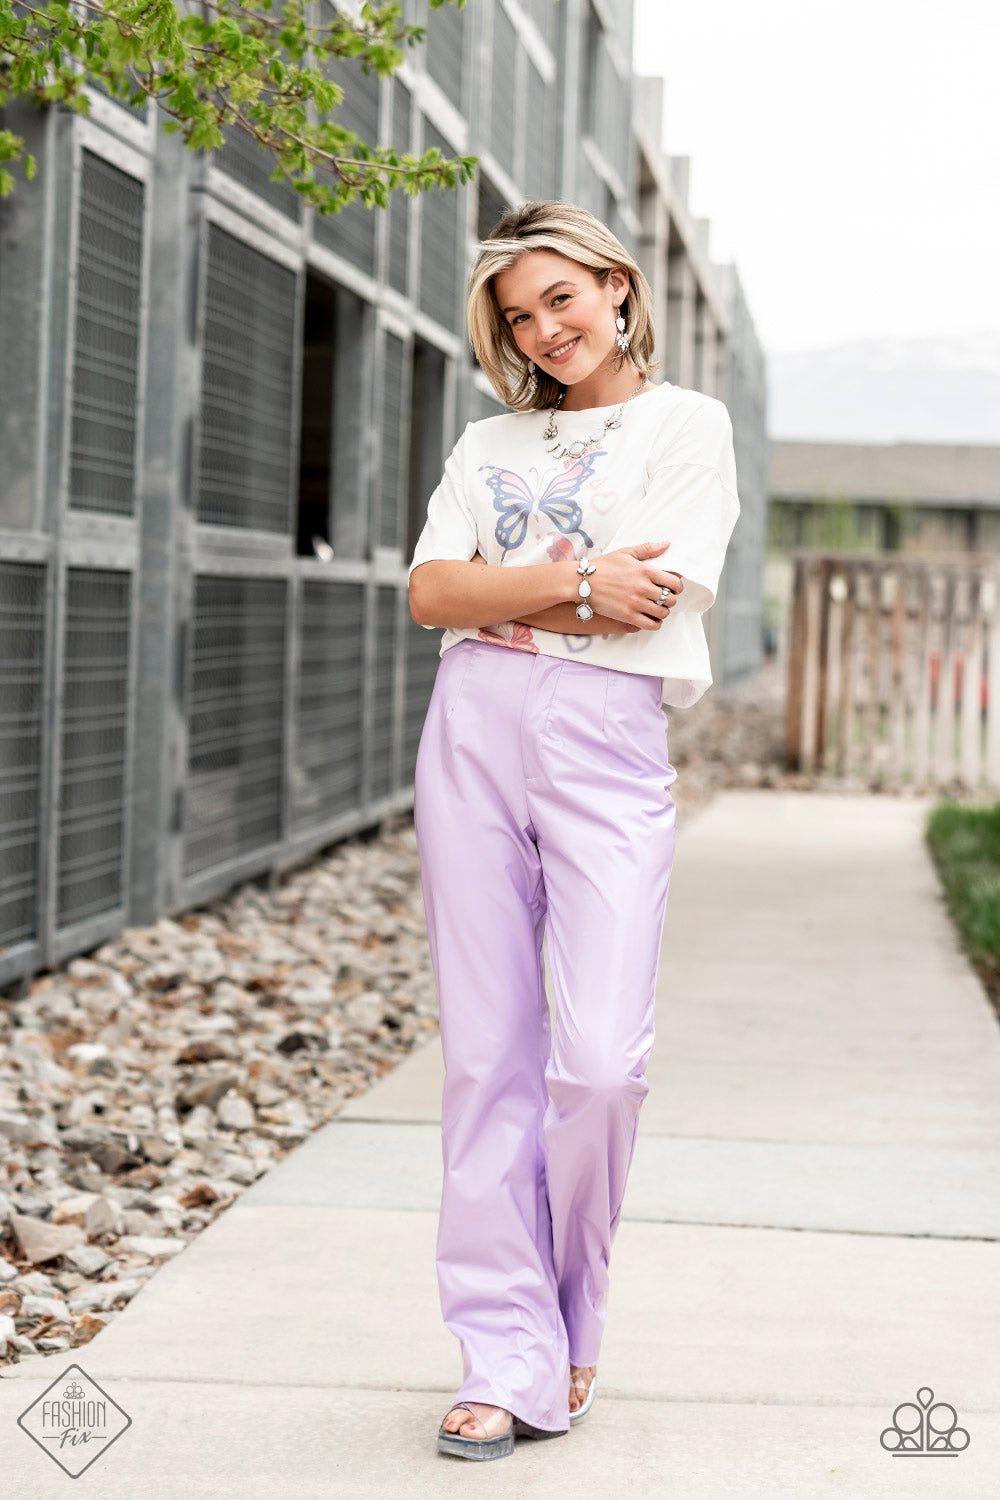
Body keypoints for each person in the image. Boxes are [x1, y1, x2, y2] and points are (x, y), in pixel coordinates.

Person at [407, 200, 741, 1462]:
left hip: (605, 744)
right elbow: (431, 592)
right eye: (517, 316)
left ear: (614, 282)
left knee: (599, 1059)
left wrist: (532, 592)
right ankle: (501, 1353)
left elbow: (660, 596)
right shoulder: (487, 441)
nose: (543, 330)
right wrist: (578, 580)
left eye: (560, 299)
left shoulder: (685, 425)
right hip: (473, 727)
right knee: (486, 1053)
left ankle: (570, 1312)